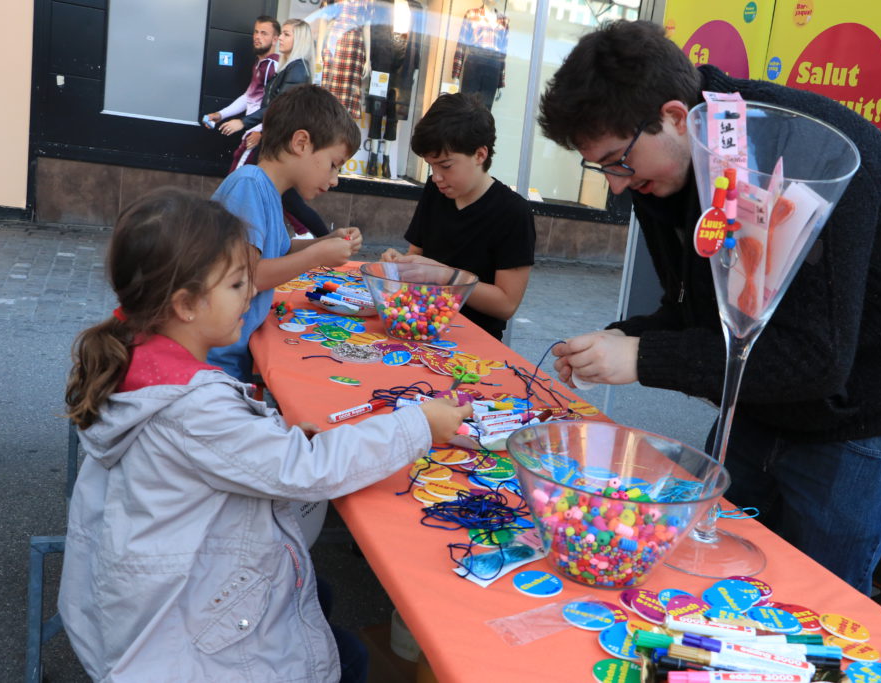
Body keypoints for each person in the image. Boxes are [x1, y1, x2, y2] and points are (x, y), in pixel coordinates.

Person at [538, 20, 881, 594]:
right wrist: (619, 339)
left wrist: (645, 357)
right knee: (709, 561)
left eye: (617, 162)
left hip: (880, 401)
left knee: (815, 595)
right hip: (776, 390)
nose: (616, 186)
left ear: (675, 116)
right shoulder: (664, 174)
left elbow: (814, 358)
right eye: (599, 167)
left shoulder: (804, 155)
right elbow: (706, 312)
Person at [59, 188, 471, 681]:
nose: (250, 294)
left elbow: (224, 455)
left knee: (318, 596)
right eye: (237, 285)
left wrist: (274, 437)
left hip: (142, 598)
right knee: (349, 658)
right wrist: (419, 424)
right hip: (174, 639)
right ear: (186, 304)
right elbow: (309, 472)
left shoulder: (139, 361)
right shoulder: (194, 405)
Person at [209, 84, 363, 381]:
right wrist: (317, 255)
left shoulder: (266, 191)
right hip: (212, 365)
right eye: (334, 165)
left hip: (231, 358)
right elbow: (248, 277)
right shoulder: (249, 185)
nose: (334, 180)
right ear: (301, 143)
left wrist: (323, 242)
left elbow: (276, 251)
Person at [380, 93, 535, 340]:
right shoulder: (435, 190)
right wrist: (400, 265)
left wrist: (444, 276)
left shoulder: (513, 212)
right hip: (420, 323)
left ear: (480, 155)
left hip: (473, 341)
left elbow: (506, 304)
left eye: (446, 166)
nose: (436, 176)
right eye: (431, 166)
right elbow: (416, 257)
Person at [224, 18, 333, 237]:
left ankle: (228, 230)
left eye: (286, 34)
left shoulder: (297, 69)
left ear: (298, 39)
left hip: (275, 142)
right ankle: (319, 239)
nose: (280, 39)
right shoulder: (289, 67)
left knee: (244, 182)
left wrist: (247, 124)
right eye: (281, 34)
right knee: (283, 198)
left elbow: (279, 107)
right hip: (275, 140)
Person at [204, 15, 280, 170]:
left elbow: (278, 106)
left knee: (237, 180)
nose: (258, 37)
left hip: (257, 138)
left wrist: (263, 134)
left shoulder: (273, 65)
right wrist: (220, 115)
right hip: (252, 134)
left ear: (275, 39)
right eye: (256, 32)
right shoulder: (260, 63)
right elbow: (249, 97)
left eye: (264, 33)